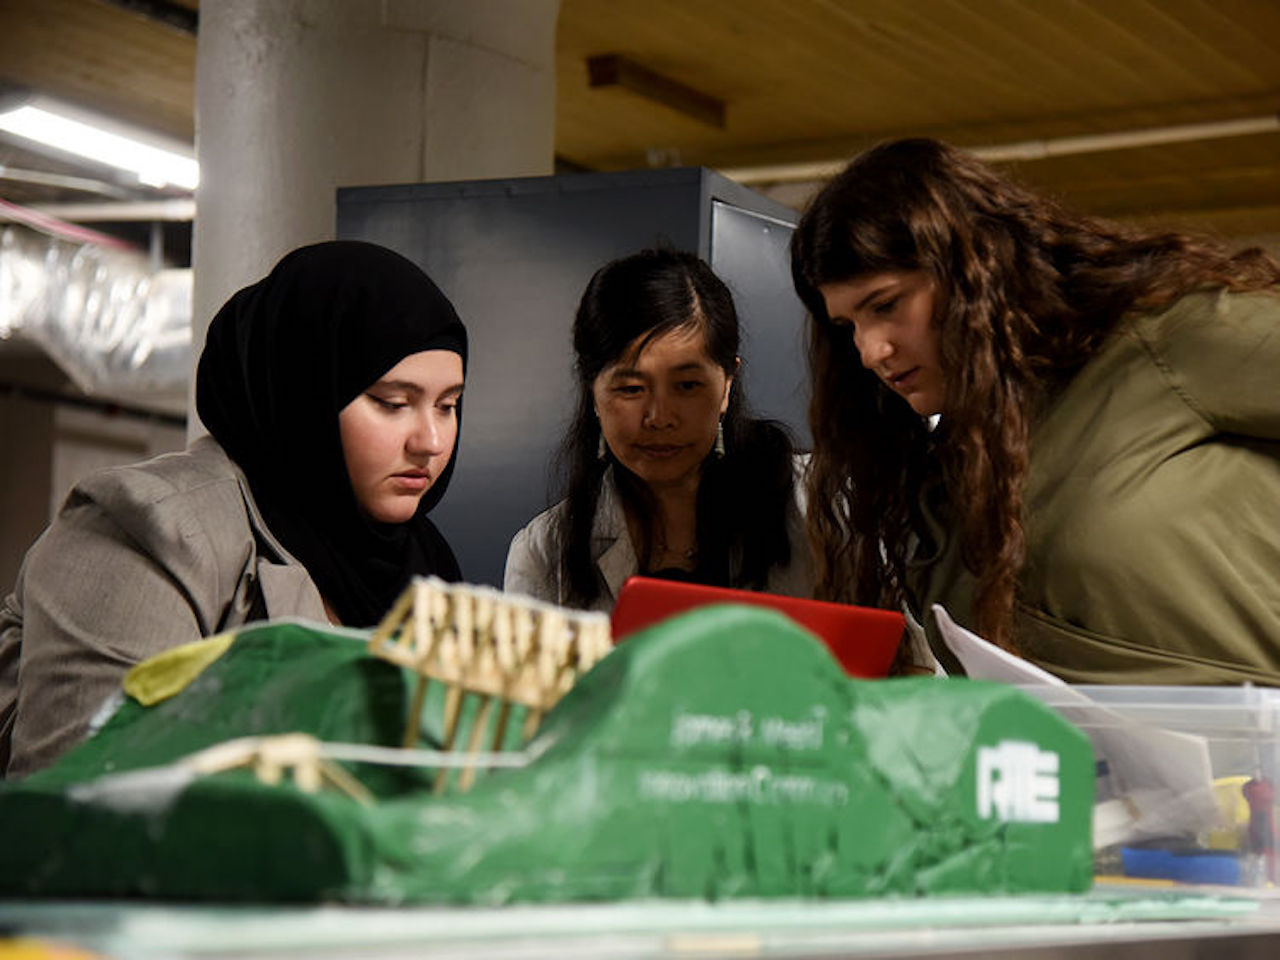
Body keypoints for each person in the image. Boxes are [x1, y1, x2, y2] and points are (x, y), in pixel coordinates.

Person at [790, 136, 1280, 685]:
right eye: (848, 326)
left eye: (886, 305)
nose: (870, 350)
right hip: (1102, 767)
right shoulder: (937, 494)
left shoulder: (1164, 344)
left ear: (977, 268)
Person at [0, 240, 468, 776]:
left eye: (448, 405)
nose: (430, 440)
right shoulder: (151, 529)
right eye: (392, 403)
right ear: (304, 391)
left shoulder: (424, 564)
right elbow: (86, 800)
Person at [504, 248, 813, 612]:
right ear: (593, 393)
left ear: (727, 385)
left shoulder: (817, 504)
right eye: (631, 389)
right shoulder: (545, 553)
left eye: (687, 386)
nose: (659, 417)